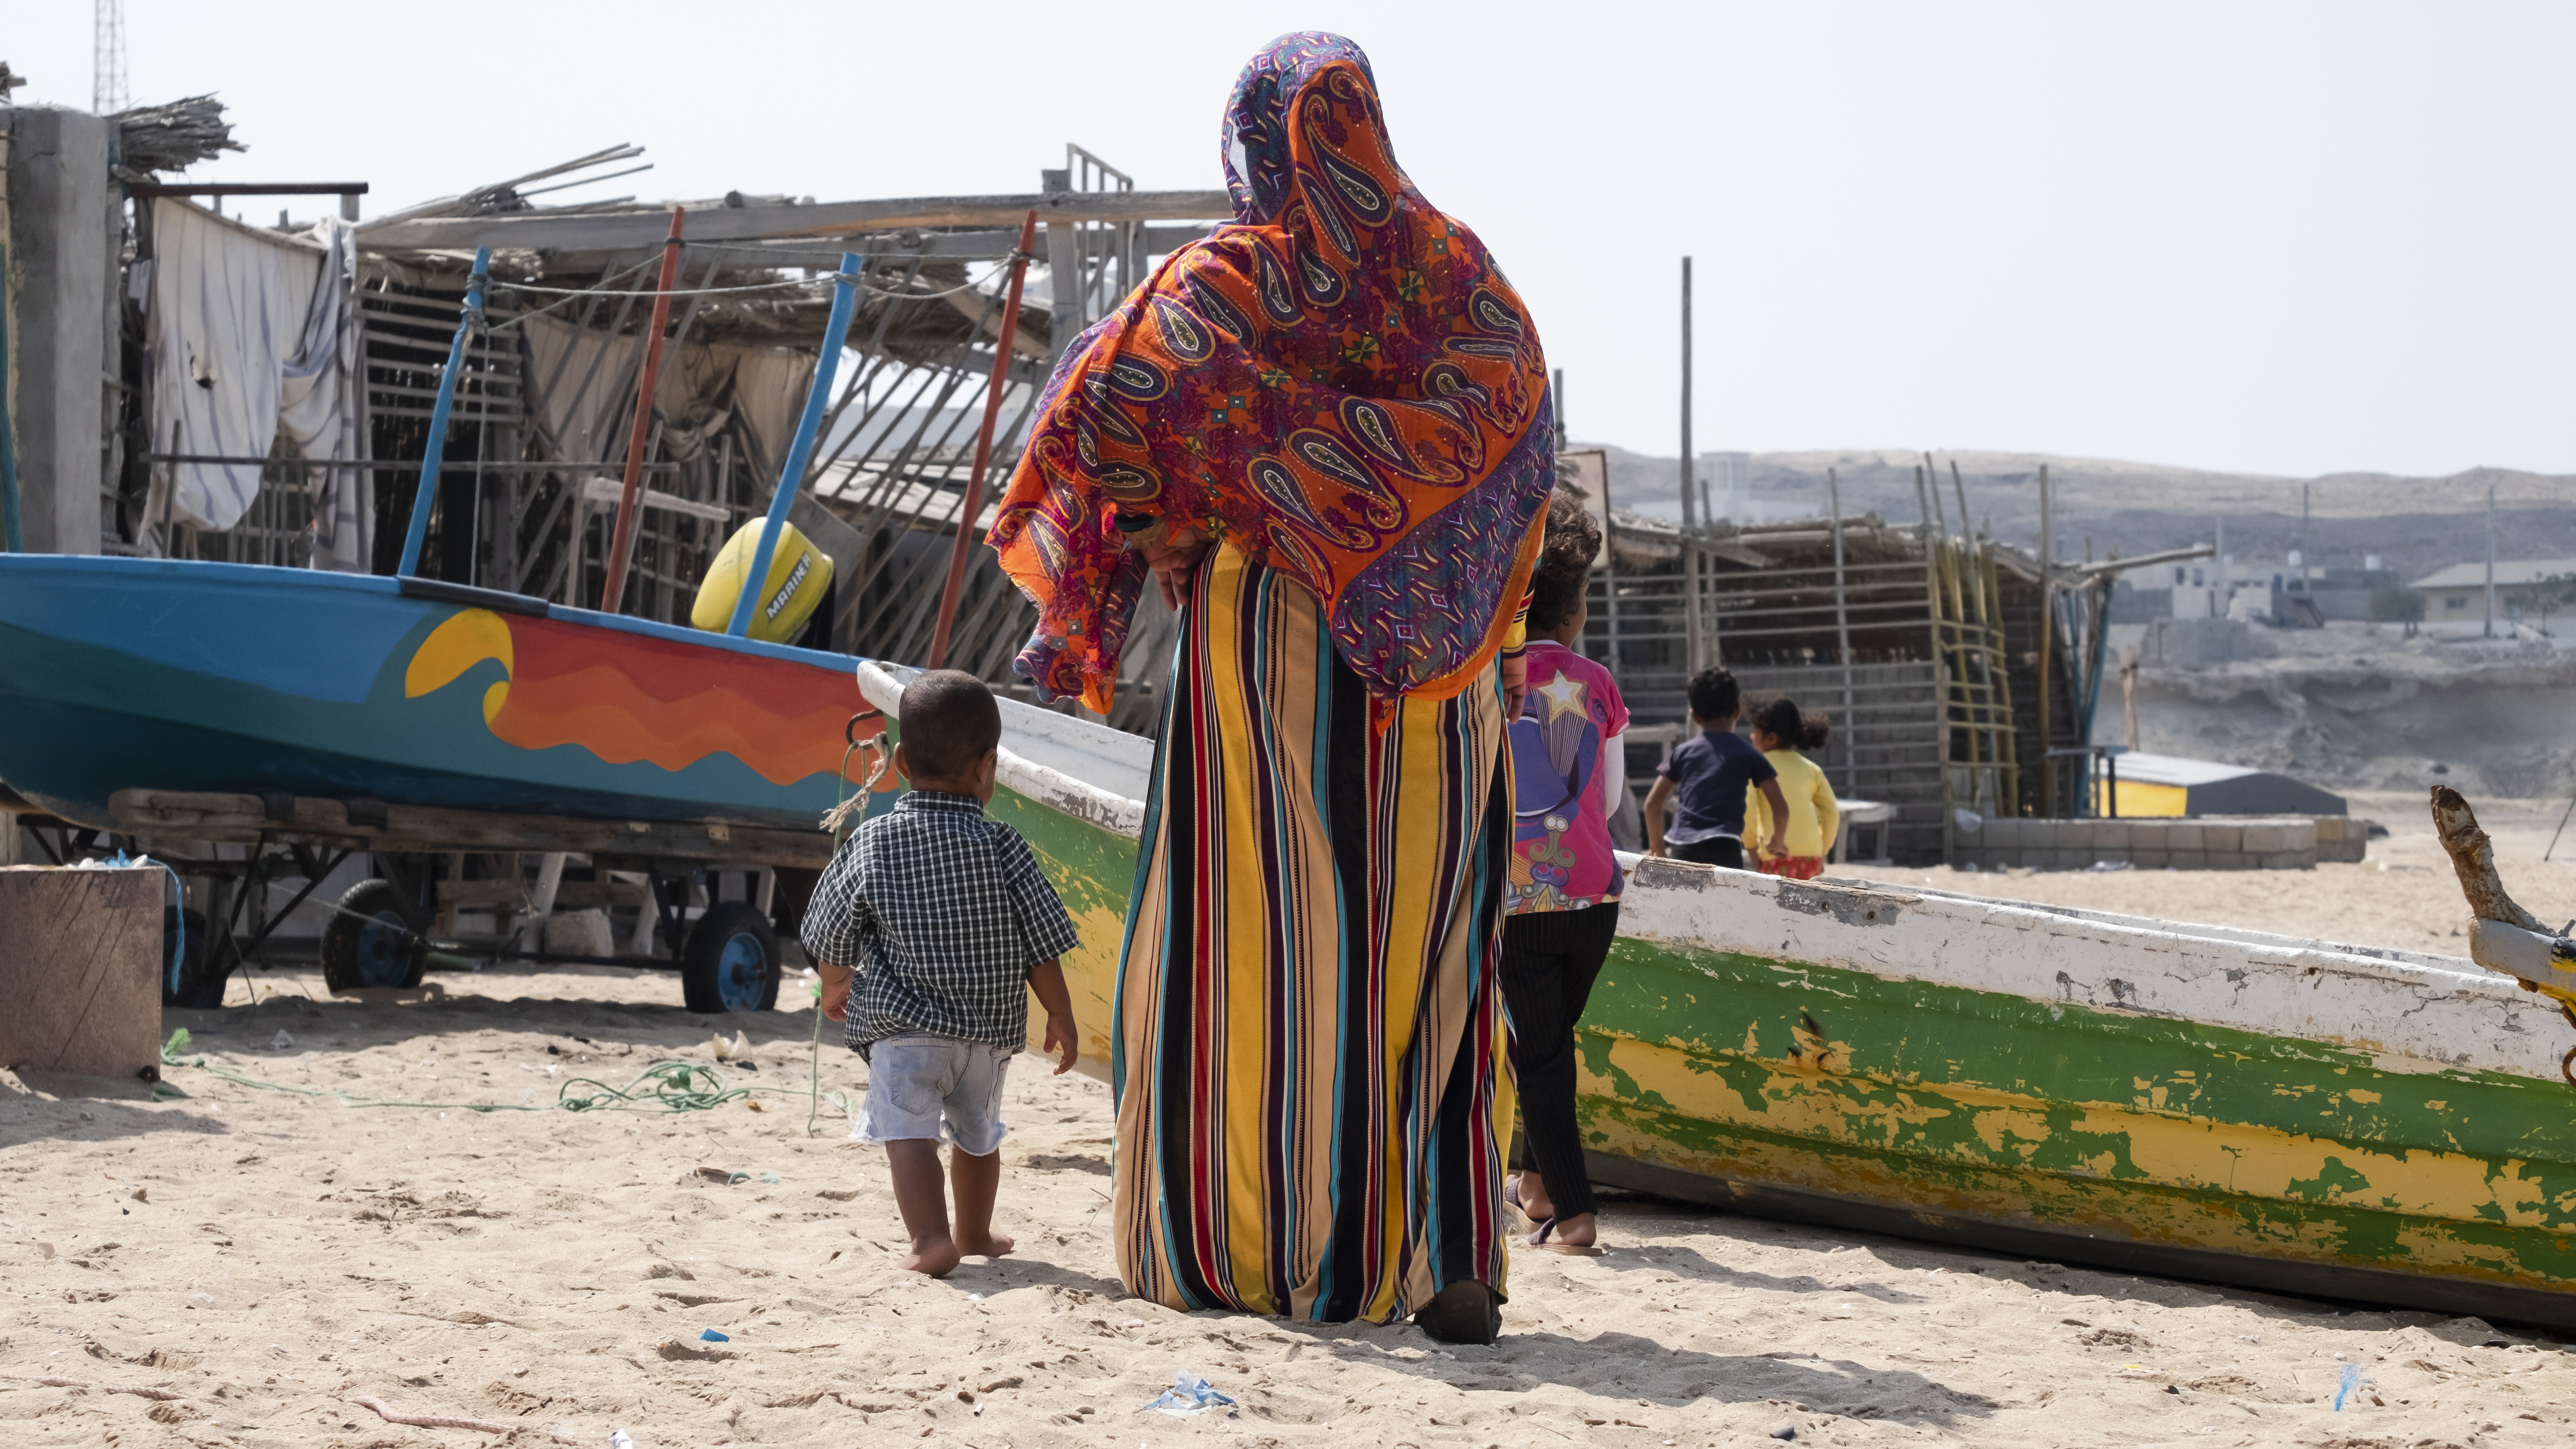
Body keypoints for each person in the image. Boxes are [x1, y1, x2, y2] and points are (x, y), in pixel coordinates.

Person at [984, 33, 1556, 1343]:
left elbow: (1104, 395)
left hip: (1277, 644)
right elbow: (1521, 445)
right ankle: (1447, 1251)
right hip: (1449, 672)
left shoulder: (1226, 281)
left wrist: (1180, 515)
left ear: (1249, 144)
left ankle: (1263, 1257)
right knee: (1436, 952)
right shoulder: (1461, 277)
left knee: (1272, 942)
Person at [802, 670, 1082, 1278]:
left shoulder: (874, 841)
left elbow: (831, 928)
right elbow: (1042, 944)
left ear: (899, 761)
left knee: (909, 1134)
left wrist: (834, 981)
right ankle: (974, 1230)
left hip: (904, 1032)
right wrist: (1059, 1013)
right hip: (986, 1033)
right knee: (978, 1137)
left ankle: (931, 1238)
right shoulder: (1004, 845)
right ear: (988, 767)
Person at [1499, 490, 1626, 1251]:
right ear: (1575, 609)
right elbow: (1608, 801)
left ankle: (1572, 1214)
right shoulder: (1597, 683)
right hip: (1593, 900)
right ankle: (1539, 1188)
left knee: (1538, 1055)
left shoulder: (1490, 678)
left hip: (1518, 905)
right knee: (1543, 1049)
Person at [1644, 667, 1789, 870]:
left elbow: (1653, 804)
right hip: (1725, 846)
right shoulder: (1748, 754)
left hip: (1684, 847)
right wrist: (1778, 841)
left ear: (1694, 716)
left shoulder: (1684, 752)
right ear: (1738, 711)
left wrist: (1657, 847)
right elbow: (1780, 807)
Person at [1742, 696, 1841, 881]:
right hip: (1811, 856)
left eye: (1754, 732)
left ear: (1771, 738)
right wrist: (1822, 851)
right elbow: (1831, 814)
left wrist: (1752, 850)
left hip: (1774, 856)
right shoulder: (1812, 769)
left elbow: (1747, 810)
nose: (1751, 736)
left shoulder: (1756, 768)